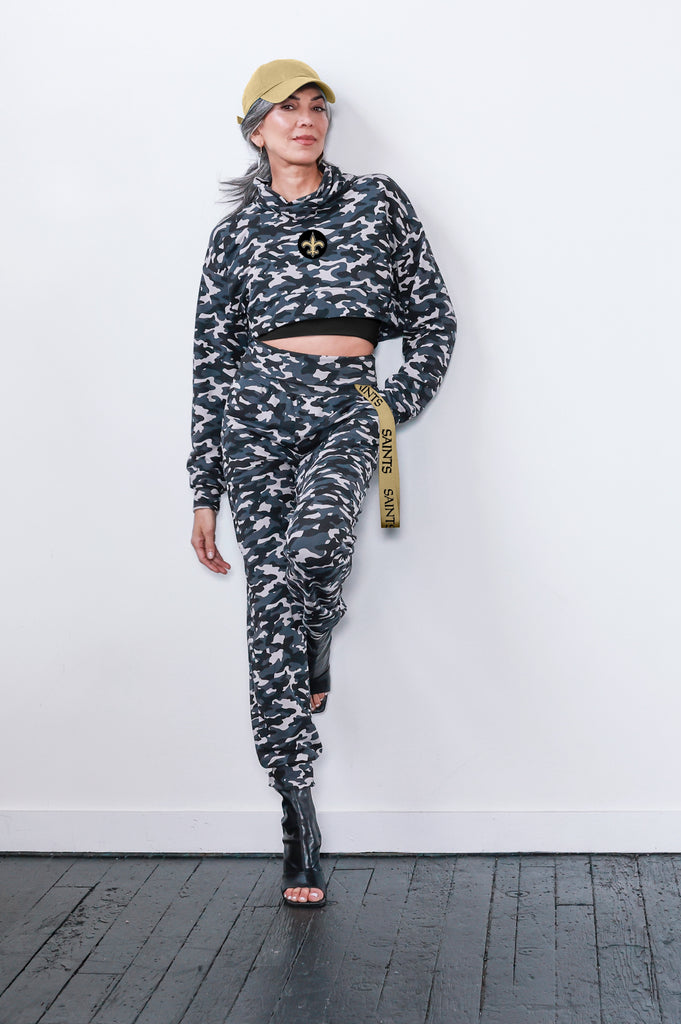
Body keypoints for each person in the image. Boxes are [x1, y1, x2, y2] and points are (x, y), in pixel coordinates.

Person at [188, 59, 456, 907]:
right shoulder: (234, 237)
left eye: (317, 107)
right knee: (268, 600)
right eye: (286, 110)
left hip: (347, 405)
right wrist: (204, 487)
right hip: (255, 415)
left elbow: (434, 319)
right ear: (256, 131)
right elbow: (210, 365)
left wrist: (389, 404)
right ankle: (295, 808)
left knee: (315, 552)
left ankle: (320, 624)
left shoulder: (376, 203)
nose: (306, 120)